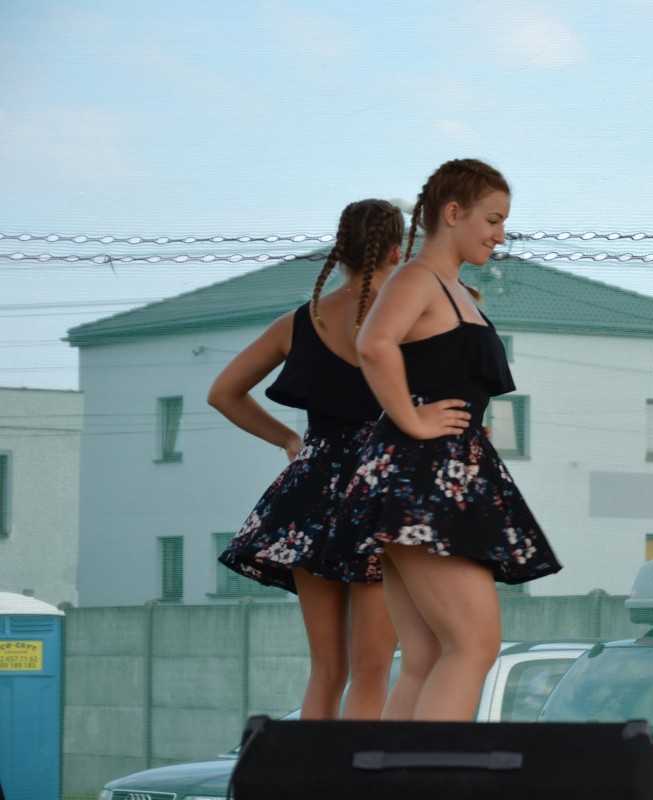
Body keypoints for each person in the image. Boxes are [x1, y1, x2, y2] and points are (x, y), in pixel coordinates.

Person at [330, 159, 561, 722]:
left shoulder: (455, 288)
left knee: (429, 654)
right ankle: (431, 769)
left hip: (436, 476)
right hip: (421, 477)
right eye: (493, 220)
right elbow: (373, 343)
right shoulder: (417, 279)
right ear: (453, 213)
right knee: (473, 645)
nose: (500, 236)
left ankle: (392, 769)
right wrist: (412, 419)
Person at [210, 199, 403, 720]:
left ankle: (312, 768)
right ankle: (358, 769)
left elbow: (223, 393)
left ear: (340, 251)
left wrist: (289, 441)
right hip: (381, 494)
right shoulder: (408, 318)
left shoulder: (299, 322)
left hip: (311, 492)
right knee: (371, 669)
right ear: (396, 251)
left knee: (327, 669)